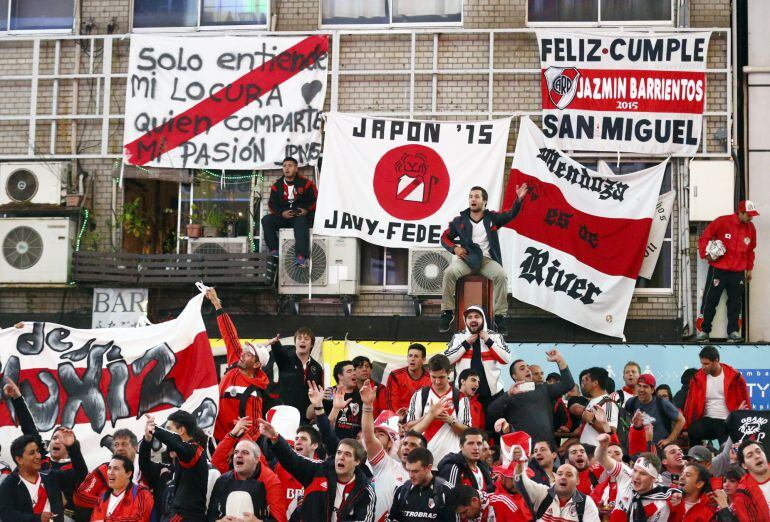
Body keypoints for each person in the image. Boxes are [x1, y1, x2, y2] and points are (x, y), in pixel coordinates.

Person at [438, 183, 529, 334]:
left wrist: (518, 200)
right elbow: (444, 237)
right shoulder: (459, 221)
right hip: (467, 259)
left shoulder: (492, 218)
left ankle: (499, 316)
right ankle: (447, 312)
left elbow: (510, 214)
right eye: (470, 196)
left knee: (501, 276)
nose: (473, 199)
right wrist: (455, 248)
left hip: (487, 260)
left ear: (484, 201)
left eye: (477, 196)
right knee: (449, 273)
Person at [258, 419, 376, 522]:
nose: (341, 457)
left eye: (347, 454)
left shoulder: (365, 490)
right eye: (339, 453)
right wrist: (275, 438)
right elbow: (292, 459)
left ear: (357, 461)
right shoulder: (319, 470)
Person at [206, 288, 270, 441]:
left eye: (249, 354)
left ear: (256, 365)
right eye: (245, 351)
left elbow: (254, 428)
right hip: (211, 438)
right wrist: (216, 303)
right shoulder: (235, 362)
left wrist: (235, 449)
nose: (243, 354)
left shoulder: (254, 393)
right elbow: (230, 334)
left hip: (229, 446)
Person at [359, 378, 426, 521]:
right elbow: (369, 437)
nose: (407, 447)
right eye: (405, 444)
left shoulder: (426, 479)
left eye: (381, 434)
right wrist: (367, 406)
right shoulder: (384, 464)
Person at [696, 199, 758, 342]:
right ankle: (704, 331)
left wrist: (749, 268)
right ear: (740, 212)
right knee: (710, 300)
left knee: (735, 303)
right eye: (749, 215)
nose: (751, 218)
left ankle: (733, 332)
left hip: (738, 271)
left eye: (752, 215)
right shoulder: (723, 221)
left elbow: (750, 250)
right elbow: (705, 237)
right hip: (718, 269)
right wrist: (705, 253)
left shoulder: (751, 228)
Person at [487, 350, 574, 447]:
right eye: (522, 368)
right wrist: (509, 395)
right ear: (514, 376)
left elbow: (568, 384)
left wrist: (559, 360)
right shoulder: (509, 396)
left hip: (548, 450)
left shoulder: (544, 389)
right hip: (523, 451)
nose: (528, 370)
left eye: (528, 367)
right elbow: (491, 413)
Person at [0, 429, 87, 522]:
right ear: (19, 459)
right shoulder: (9, 483)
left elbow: (80, 474)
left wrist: (72, 447)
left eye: (38, 451)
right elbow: (6, 514)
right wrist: (36, 519)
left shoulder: (51, 476)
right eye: (32, 453)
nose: (38, 456)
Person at [142, 411, 210, 521]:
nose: (166, 433)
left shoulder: (195, 451)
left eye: (168, 428)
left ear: (182, 430)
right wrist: (147, 439)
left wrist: (155, 429)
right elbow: (144, 465)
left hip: (186, 517)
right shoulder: (181, 456)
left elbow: (175, 441)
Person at [595, 433, 680, 520]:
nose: (636, 476)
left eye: (643, 473)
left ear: (653, 479)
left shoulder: (660, 504)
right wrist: (602, 447)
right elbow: (602, 458)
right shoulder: (626, 474)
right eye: (635, 470)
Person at [406, 354, 471, 464]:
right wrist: (428, 416)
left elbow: (468, 433)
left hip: (452, 462)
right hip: (423, 462)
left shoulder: (460, 397)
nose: (437, 381)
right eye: (433, 377)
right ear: (429, 372)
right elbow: (409, 428)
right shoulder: (420, 395)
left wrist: (450, 420)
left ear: (449, 372)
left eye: (441, 377)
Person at [445, 305, 511, 408]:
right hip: (465, 395)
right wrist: (466, 343)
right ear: (465, 321)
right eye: (470, 317)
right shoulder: (458, 337)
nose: (473, 320)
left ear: (483, 319)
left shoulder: (495, 336)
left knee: (494, 424)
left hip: (493, 395)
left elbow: (506, 359)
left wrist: (488, 340)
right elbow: (447, 360)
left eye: (477, 317)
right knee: (467, 424)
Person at [684, 345, 750, 447]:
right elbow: (690, 404)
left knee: (721, 429)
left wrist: (742, 418)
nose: (703, 367)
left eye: (706, 364)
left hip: (728, 420)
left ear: (716, 361)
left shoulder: (735, 377)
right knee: (693, 430)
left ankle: (726, 458)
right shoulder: (697, 378)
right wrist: (686, 427)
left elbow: (745, 401)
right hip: (707, 419)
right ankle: (694, 459)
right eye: (702, 363)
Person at [207, 437, 285, 522]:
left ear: (257, 459)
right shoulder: (222, 480)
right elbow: (210, 517)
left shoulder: (271, 481)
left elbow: (280, 520)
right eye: (236, 452)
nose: (238, 455)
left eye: (245, 453)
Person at [511, 446, 600, 521]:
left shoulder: (586, 503)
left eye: (569, 475)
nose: (563, 477)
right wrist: (519, 464)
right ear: (554, 478)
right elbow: (521, 483)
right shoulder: (543, 493)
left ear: (577, 481)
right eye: (559, 474)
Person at [262, 156, 318, 269]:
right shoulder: (276, 186)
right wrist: (281, 213)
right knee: (266, 220)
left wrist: (306, 210)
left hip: (299, 216)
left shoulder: (306, 184)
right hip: (283, 216)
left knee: (301, 223)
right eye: (284, 166)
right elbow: (272, 204)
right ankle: (275, 251)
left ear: (296, 168)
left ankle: (301, 257)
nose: (287, 168)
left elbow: (316, 200)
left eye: (290, 165)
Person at [74, 429, 146, 514]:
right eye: (116, 445)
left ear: (135, 447)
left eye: (124, 444)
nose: (119, 449)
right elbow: (80, 496)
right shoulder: (104, 469)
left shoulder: (147, 469)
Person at [269, 326, 323, 424]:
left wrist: (316, 415)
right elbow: (278, 352)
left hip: (306, 419)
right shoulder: (286, 360)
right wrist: (275, 344)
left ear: (311, 344)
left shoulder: (317, 367)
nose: (302, 341)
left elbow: (319, 392)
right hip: (285, 415)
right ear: (295, 343)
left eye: (306, 339)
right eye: (299, 338)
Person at [388, 448, 456, 521]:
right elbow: (393, 518)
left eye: (415, 471)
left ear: (429, 468)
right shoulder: (401, 491)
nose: (411, 475)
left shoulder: (446, 491)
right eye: (408, 470)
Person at [624, 373, 685, 448]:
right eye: (639, 386)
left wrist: (669, 440)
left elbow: (681, 420)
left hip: (658, 448)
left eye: (645, 387)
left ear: (652, 390)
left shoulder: (662, 403)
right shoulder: (631, 402)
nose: (641, 389)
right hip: (639, 447)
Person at [90, 455, 154, 522]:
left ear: (128, 474)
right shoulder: (102, 499)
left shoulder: (141, 493)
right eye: (109, 468)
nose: (110, 472)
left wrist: (107, 520)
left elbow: (139, 519)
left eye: (116, 468)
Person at [312, 360, 363, 440]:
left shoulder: (361, 395)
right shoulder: (329, 393)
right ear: (340, 376)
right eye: (349, 371)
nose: (354, 373)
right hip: (332, 442)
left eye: (354, 371)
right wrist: (318, 401)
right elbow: (309, 415)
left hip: (353, 445)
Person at [437, 428, 494, 493]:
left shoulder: (484, 468)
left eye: (479, 443)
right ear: (461, 447)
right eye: (470, 443)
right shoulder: (452, 468)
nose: (476, 448)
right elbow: (450, 498)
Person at [384, 343, 431, 417]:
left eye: (416, 356)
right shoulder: (395, 375)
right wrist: (398, 418)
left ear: (423, 360)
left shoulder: (430, 378)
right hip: (398, 417)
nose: (412, 359)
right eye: (410, 355)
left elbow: (431, 403)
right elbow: (391, 403)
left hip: (421, 418)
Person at [579, 367, 619, 446]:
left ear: (595, 383)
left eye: (587, 379)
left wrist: (592, 420)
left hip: (597, 452)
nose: (583, 382)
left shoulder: (608, 403)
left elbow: (611, 431)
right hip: (586, 450)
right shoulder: (592, 401)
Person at [733, 439, 770, 519]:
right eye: (750, 455)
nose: (757, 456)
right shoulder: (742, 494)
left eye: (759, 452)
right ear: (744, 466)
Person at [451, 484, 528, 521]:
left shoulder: (502, 502)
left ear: (474, 500)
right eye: (460, 514)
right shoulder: (467, 516)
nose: (463, 517)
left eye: (465, 512)